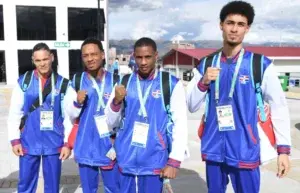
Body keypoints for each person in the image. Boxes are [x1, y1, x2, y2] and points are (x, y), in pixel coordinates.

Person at [186, 1, 291, 193]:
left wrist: (283, 151)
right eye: (230, 23)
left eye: (240, 24)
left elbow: (279, 107)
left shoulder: (259, 65)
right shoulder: (206, 64)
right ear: (221, 25)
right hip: (213, 149)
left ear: (247, 29)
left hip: (245, 149)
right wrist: (203, 82)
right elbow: (191, 105)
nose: (234, 29)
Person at [105, 37, 188, 193]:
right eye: (139, 57)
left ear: (156, 55)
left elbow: (180, 124)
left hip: (154, 162)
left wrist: (174, 161)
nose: (143, 62)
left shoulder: (170, 84)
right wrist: (116, 102)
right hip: (126, 160)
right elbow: (109, 122)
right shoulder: (124, 82)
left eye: (148, 57)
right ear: (133, 56)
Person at [7, 43, 71, 193]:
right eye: (38, 60)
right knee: (25, 184)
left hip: (54, 141)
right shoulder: (24, 81)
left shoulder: (63, 84)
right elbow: (15, 112)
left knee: (52, 185)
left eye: (45, 59)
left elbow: (69, 117)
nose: (42, 63)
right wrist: (15, 140)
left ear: (52, 58)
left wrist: (67, 143)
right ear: (33, 61)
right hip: (29, 140)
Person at [63, 38, 120, 193]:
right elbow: (69, 113)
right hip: (85, 145)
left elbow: (119, 116)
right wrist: (77, 103)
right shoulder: (76, 81)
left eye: (94, 54)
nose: (90, 58)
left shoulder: (115, 80)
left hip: (109, 145)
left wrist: (117, 101)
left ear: (102, 55)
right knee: (88, 189)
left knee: (114, 188)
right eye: (85, 55)